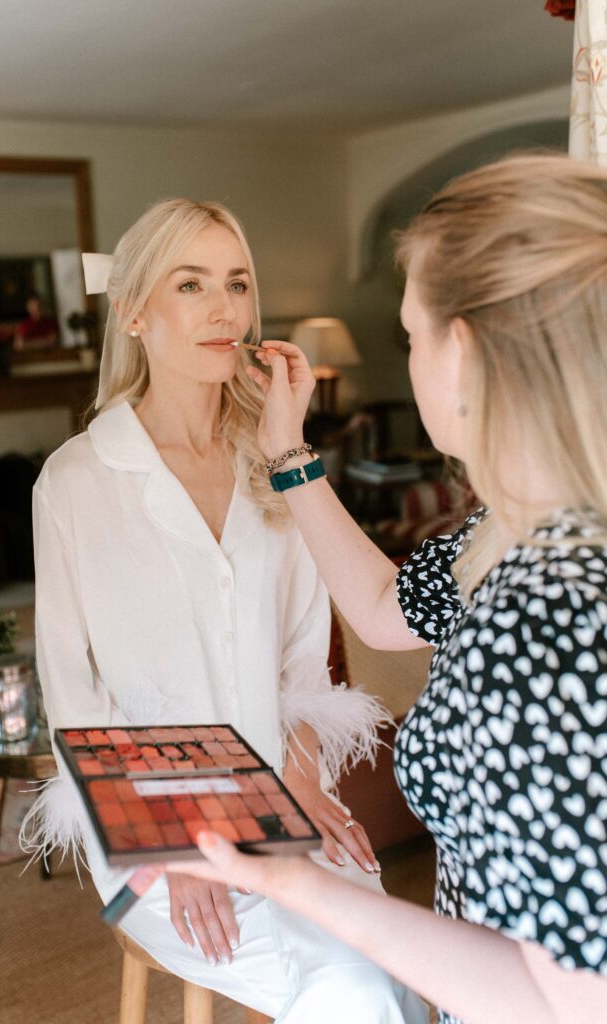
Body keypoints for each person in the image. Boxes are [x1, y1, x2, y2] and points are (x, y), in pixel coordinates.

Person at [162, 154, 607, 1024]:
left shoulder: (541, 611)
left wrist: (295, 884)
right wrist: (290, 455)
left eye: (409, 335)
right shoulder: (517, 534)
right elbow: (381, 607)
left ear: (464, 351)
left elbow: (567, 1000)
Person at [22, 197, 428, 1023]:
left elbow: (304, 664)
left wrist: (307, 780)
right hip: (151, 831)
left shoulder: (275, 464)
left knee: (389, 975)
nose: (222, 308)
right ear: (135, 312)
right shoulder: (75, 482)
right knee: (354, 992)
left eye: (236, 283)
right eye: (191, 283)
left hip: (289, 796)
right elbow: (74, 703)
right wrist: (171, 852)